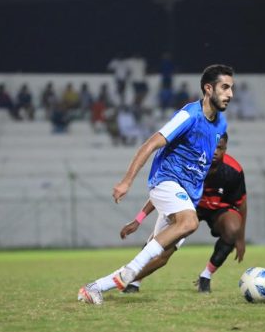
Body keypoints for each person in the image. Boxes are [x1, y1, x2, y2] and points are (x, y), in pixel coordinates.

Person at [78, 64, 234, 304]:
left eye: (231, 88)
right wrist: (126, 181)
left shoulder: (220, 125)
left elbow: (197, 169)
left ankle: (94, 288)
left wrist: (139, 219)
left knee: (161, 257)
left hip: (186, 195)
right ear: (208, 88)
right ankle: (129, 271)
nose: (230, 94)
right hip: (166, 181)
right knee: (189, 222)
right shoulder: (189, 115)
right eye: (224, 87)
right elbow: (150, 144)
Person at [119, 133, 247, 293]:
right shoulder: (190, 165)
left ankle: (206, 276)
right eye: (212, 146)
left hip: (218, 209)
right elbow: (164, 192)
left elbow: (242, 204)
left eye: (219, 148)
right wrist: (138, 219)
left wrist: (240, 238)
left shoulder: (233, 170)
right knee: (162, 254)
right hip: (189, 208)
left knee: (233, 228)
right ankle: (133, 281)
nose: (215, 151)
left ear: (225, 149)